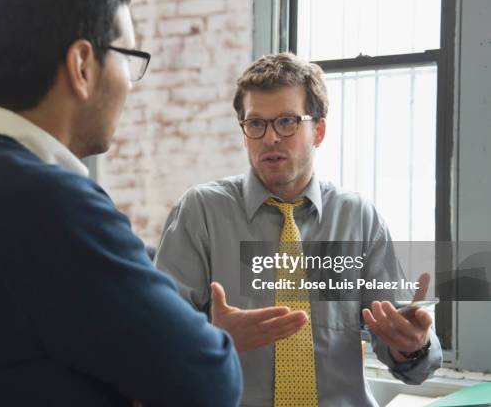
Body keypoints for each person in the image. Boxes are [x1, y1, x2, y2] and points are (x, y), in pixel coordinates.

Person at [0, 0, 242, 406]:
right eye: (128, 57)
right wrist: (211, 335)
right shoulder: (49, 205)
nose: (129, 82)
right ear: (82, 66)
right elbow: (210, 382)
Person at [155, 52, 442, 407]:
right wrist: (211, 339)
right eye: (256, 124)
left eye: (287, 121)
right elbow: (153, 343)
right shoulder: (200, 212)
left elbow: (408, 354)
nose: (271, 138)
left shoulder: (358, 218)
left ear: (318, 130)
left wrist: (413, 345)